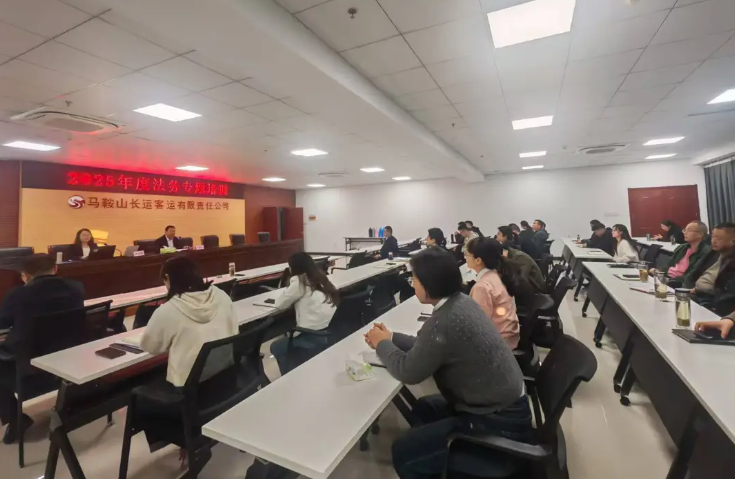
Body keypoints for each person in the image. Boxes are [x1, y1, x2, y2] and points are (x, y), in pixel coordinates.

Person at [364, 248, 532, 479]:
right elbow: (428, 345)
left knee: (404, 452)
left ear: (429, 284)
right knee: (424, 408)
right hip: (505, 403)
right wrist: (390, 337)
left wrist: (381, 344)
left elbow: (408, 371)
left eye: (414, 279)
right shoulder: (462, 302)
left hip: (500, 421)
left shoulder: (444, 321)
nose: (412, 284)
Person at [0, 254, 85, 444]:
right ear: (55, 268)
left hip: (29, 371)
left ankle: (15, 419)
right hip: (70, 361)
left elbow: (3, 323)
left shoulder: (17, 295)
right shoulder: (77, 288)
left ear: (25, 276)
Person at [269, 253, 339, 374]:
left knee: (276, 346)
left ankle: (291, 377)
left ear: (294, 268)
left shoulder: (299, 281)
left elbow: (280, 304)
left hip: (312, 335)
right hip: (329, 331)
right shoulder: (321, 277)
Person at [465, 237, 520, 349]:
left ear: (478, 260)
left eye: (467, 254)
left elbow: (479, 325)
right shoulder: (496, 274)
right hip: (508, 336)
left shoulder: (482, 287)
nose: (465, 257)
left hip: (498, 344)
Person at [692, 222, 735, 316]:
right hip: (697, 293)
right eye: (713, 236)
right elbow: (694, 272)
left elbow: (727, 295)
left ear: (733, 241)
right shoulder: (713, 253)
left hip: (713, 304)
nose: (713, 241)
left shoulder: (732, 263)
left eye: (718, 238)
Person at [497, 228, 546, 294]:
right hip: (527, 286)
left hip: (535, 289)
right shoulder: (508, 253)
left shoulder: (520, 257)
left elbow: (522, 281)